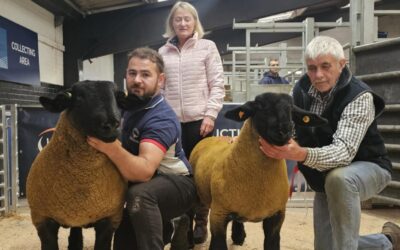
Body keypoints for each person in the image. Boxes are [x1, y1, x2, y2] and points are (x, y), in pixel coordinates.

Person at [259, 35, 400, 250]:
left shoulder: (360, 96)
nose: (318, 75)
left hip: (368, 168)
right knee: (326, 246)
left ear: (342, 65)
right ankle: (386, 242)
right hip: (325, 179)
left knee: (340, 178)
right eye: (312, 68)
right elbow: (288, 127)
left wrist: (301, 154)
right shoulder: (299, 91)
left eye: (326, 66)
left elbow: (343, 153)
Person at [87, 47, 197, 250]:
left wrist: (110, 147)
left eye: (146, 74)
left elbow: (144, 171)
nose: (137, 80)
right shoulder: (123, 107)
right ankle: (169, 225)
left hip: (176, 183)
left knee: (139, 196)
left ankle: (172, 220)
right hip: (139, 183)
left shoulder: (161, 117)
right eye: (132, 73)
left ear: (161, 80)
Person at [158, 1, 225, 245]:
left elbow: (217, 84)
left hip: (201, 123)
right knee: (177, 174)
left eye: (188, 19)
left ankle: (201, 222)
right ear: (172, 24)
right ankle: (181, 223)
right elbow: (160, 88)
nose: (183, 23)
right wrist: (162, 118)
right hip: (172, 124)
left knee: (200, 175)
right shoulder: (162, 53)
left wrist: (210, 115)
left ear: (195, 22)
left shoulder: (208, 47)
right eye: (178, 19)